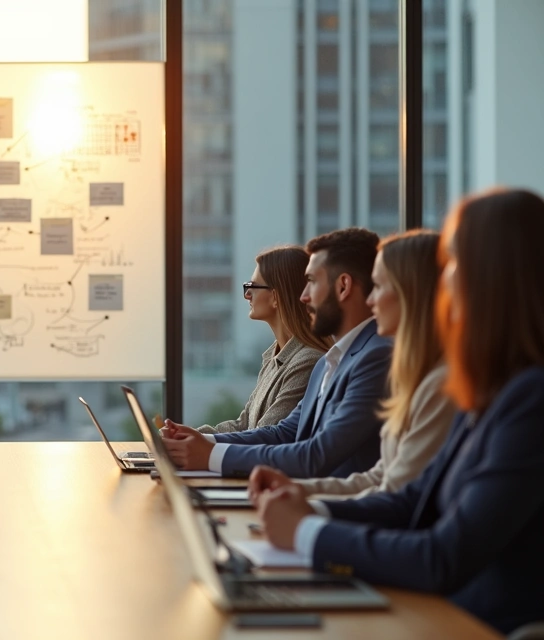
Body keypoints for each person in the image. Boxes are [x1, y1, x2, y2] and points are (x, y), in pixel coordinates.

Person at [252, 188, 544, 635]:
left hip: (467, 622)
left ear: (491, 276)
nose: (442, 281)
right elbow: (414, 500)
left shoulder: (529, 399)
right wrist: (309, 510)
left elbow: (443, 555)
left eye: (452, 264)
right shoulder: (492, 391)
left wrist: (307, 534)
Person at [162, 228, 390, 478]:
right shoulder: (330, 361)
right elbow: (283, 433)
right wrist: (203, 441)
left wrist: (209, 454)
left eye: (312, 282)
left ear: (343, 286)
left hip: (334, 506)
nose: (303, 297)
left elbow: (314, 455)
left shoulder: (373, 358)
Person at [252, 231, 455, 499]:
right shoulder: (332, 361)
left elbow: (398, 498)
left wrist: (307, 517)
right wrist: (294, 493)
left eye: (379, 287)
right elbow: (380, 478)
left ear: (409, 295)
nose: (370, 300)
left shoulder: (401, 369)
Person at [197, 246, 331, 435]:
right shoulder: (274, 357)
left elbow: (265, 434)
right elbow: (244, 424)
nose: (247, 295)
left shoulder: (307, 361)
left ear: (276, 297)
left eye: (253, 287)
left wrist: (198, 444)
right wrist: (189, 436)